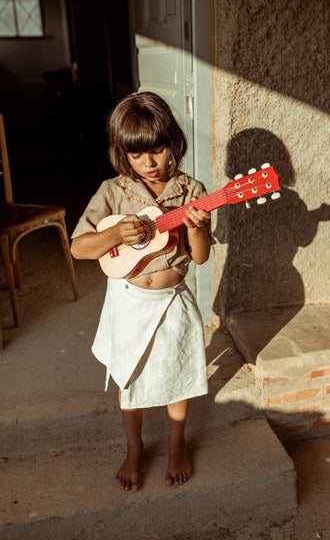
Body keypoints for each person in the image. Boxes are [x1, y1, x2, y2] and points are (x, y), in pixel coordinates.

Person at [70, 91, 212, 492]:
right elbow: (79, 247)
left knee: (177, 375)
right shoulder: (113, 191)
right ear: (122, 155)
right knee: (129, 380)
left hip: (171, 301)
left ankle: (176, 445)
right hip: (130, 301)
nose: (149, 163)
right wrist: (115, 233)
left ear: (174, 143)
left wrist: (197, 226)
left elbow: (199, 259)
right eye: (137, 155)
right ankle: (134, 450)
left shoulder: (190, 190)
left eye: (158, 150)